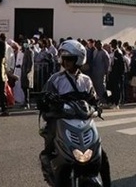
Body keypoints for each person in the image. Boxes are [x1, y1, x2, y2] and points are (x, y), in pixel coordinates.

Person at [40, 39, 110, 185]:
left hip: (83, 122)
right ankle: (47, 159)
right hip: (62, 120)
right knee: (51, 139)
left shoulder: (86, 80)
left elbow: (94, 99)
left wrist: (98, 106)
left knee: (102, 156)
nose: (66, 62)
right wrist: (47, 103)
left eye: (70, 59)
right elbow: (44, 99)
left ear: (78, 60)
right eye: (64, 59)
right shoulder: (55, 79)